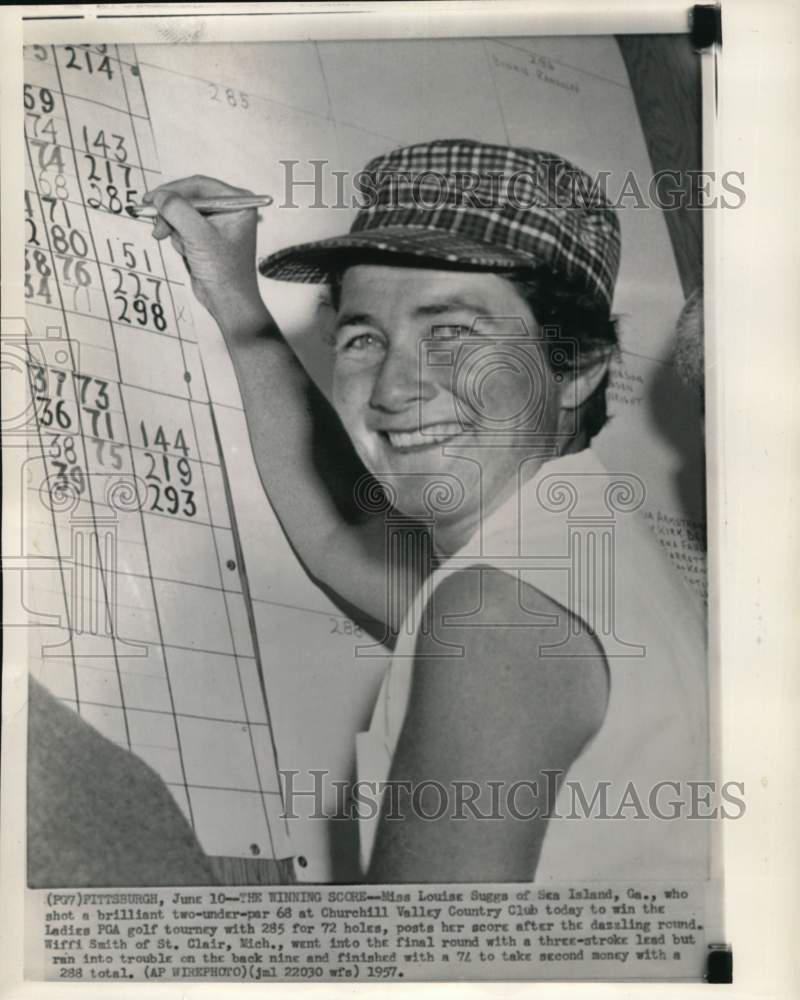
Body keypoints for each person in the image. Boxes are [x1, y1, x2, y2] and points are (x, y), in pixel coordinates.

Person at [145, 138, 707, 883]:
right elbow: (335, 539)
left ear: (576, 369)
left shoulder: (502, 615)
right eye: (363, 338)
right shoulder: (571, 546)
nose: (389, 390)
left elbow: (423, 979)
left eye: (450, 333)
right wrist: (236, 302)